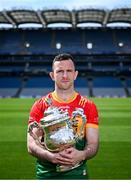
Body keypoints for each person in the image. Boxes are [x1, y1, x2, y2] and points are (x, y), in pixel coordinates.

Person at [27, 53, 99, 179]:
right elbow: (31, 145)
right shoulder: (40, 105)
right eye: (60, 71)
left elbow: (93, 144)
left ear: (75, 74)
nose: (65, 75)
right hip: (46, 175)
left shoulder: (88, 106)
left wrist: (81, 155)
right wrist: (50, 156)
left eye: (69, 71)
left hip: (77, 175)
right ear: (52, 75)